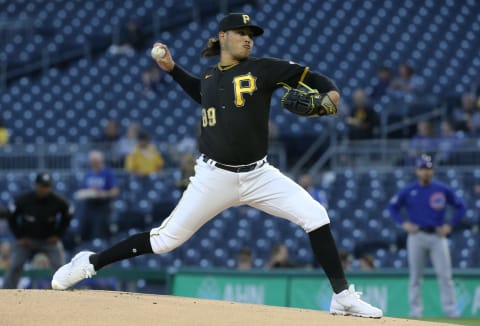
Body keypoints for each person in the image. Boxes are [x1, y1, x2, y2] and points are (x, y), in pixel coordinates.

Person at [52, 13, 382, 318]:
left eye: (251, 34)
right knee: (166, 241)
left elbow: (317, 79)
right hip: (214, 177)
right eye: (241, 33)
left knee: (316, 216)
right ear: (223, 36)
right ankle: (89, 263)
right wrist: (173, 70)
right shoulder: (210, 75)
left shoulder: (264, 68)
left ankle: (341, 296)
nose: (248, 38)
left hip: (259, 174)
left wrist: (333, 96)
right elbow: (202, 92)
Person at [388, 154, 466, 318]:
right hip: (417, 235)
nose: (426, 172)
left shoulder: (442, 189)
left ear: (433, 170)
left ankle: (451, 311)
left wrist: (449, 225)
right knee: (415, 277)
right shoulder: (409, 190)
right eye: (423, 168)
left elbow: (461, 206)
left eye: (428, 169)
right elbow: (393, 207)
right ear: (417, 171)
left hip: (437, 236)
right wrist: (403, 223)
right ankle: (415, 312)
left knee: (445, 276)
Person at [2, 172, 72, 289]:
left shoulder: (57, 200)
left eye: (47, 186)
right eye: (42, 186)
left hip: (49, 241)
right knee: (15, 265)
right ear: (36, 186)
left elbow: (68, 215)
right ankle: (6, 292)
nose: (44, 189)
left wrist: (58, 235)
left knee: (60, 266)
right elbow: (11, 216)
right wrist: (19, 236)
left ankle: (66, 291)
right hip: (27, 241)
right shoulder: (24, 200)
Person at [75, 150, 119, 242]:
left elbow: (115, 191)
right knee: (85, 232)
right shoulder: (88, 174)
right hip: (89, 207)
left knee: (99, 233)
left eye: (96, 161)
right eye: (93, 162)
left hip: (102, 207)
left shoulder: (108, 173)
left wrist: (104, 194)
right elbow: (82, 189)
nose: (95, 164)